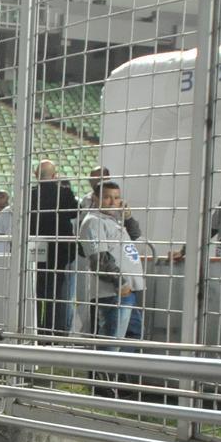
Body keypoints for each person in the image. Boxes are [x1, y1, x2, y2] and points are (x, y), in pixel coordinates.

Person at [79, 180, 144, 395]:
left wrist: (128, 216)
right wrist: (120, 282)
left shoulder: (114, 220)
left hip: (129, 290)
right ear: (96, 198)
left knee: (130, 336)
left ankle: (121, 384)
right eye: (107, 197)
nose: (113, 202)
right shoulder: (93, 222)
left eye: (117, 198)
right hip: (114, 291)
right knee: (112, 338)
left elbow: (135, 235)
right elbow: (99, 259)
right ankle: (104, 389)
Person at [28, 160, 80, 336]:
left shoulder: (28, 193)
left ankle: (36, 329)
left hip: (36, 246)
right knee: (59, 294)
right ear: (55, 175)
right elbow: (75, 212)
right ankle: (55, 332)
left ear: (36, 175)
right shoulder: (63, 192)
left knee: (36, 290)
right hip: (61, 250)